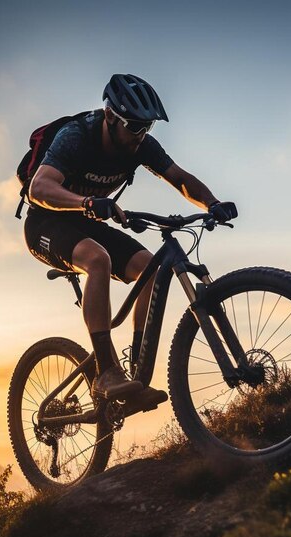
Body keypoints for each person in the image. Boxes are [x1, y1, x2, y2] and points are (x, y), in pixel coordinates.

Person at [24, 73, 237, 405]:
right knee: (98, 259)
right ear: (110, 116)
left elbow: (179, 178)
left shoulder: (141, 146)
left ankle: (136, 372)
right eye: (135, 126)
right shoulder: (77, 136)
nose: (141, 134)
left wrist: (213, 203)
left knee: (151, 269)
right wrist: (86, 203)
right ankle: (107, 372)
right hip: (45, 223)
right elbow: (39, 188)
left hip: (88, 221)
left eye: (147, 127)